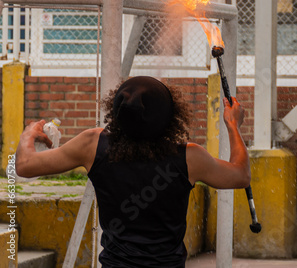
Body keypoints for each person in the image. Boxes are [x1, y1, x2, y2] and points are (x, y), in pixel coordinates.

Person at [16, 76, 251, 268]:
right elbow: (240, 175)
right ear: (172, 115)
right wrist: (233, 125)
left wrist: (29, 134)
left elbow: (25, 165)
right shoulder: (189, 157)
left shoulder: (92, 144)